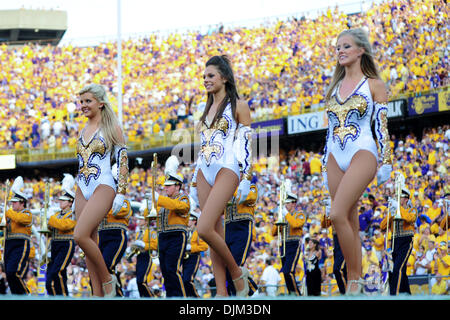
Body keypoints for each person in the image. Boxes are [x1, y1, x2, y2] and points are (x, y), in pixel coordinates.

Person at [321, 28, 392, 295]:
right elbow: (328, 132)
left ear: (361, 50)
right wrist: (324, 162)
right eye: (337, 47)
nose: (340, 50)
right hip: (334, 155)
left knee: (337, 213)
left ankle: (355, 279)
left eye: (346, 46)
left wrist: (386, 161)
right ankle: (355, 280)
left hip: (363, 150)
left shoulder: (374, 84)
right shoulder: (333, 88)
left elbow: (382, 127)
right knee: (347, 218)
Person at [191, 55, 253, 297]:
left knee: (204, 228)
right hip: (204, 171)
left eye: (211, 75)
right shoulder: (202, 108)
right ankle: (221, 292)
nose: (206, 80)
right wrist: (195, 176)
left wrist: (246, 176)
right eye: (204, 76)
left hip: (228, 167)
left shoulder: (239, 105)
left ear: (225, 78)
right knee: (214, 231)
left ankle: (237, 273)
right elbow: (202, 145)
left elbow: (246, 144)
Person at [74, 83, 129, 297]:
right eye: (81, 102)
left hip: (104, 185)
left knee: (80, 236)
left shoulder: (112, 128)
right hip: (82, 188)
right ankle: (97, 293)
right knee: (89, 241)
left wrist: (122, 191)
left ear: (100, 103)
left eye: (88, 101)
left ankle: (107, 280)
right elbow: (80, 164)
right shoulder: (82, 130)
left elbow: (123, 160)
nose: (83, 105)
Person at [148, 155, 190, 297]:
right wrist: (149, 206)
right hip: (163, 237)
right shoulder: (163, 202)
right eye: (165, 185)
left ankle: (181, 298)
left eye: (169, 185)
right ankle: (172, 297)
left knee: (173, 269)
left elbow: (179, 207)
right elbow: (152, 216)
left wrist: (158, 199)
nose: (165, 188)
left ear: (177, 186)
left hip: (176, 236)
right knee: (166, 271)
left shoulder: (182, 198)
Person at [98, 163, 132, 297]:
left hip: (116, 236)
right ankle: (115, 295)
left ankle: (117, 295)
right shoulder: (103, 201)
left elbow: (120, 211)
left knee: (107, 266)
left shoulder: (123, 201)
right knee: (98, 270)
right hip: (101, 236)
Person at [223, 179, 258, 296]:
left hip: (242, 228)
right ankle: (236, 295)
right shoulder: (227, 189)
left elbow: (249, 198)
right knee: (227, 268)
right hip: (228, 229)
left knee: (236, 265)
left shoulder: (250, 187)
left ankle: (253, 293)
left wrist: (229, 188)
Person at [380, 187, 416, 295]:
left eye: (400, 197)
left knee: (397, 269)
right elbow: (382, 226)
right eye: (397, 197)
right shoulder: (395, 210)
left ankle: (394, 295)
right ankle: (407, 294)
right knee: (401, 270)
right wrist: (391, 214)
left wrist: (398, 208)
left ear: (406, 199)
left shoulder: (411, 210)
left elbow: (410, 219)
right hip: (395, 242)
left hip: (406, 241)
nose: (398, 199)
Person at [46, 174, 77, 296]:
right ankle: (58, 296)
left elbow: (65, 225)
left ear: (70, 202)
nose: (60, 202)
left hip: (66, 244)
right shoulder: (56, 215)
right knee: (50, 279)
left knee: (57, 271)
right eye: (60, 199)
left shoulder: (73, 214)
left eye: (63, 200)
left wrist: (50, 220)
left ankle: (63, 296)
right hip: (54, 244)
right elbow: (51, 228)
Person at [271, 189, 305, 295]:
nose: (285, 206)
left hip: (294, 244)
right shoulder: (284, 216)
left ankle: (296, 294)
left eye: (287, 203)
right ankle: (291, 294)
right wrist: (279, 219)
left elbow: (295, 224)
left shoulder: (300, 215)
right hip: (284, 245)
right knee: (285, 272)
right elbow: (273, 233)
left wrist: (285, 214)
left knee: (288, 271)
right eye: (285, 203)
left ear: (294, 203)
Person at [2, 176, 32, 295]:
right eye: (11, 202)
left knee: (14, 272)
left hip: (20, 245)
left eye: (14, 202)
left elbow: (20, 219)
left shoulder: (27, 213)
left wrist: (7, 211)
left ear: (22, 203)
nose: (12, 205)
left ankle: (26, 294)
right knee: (9, 275)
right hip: (8, 244)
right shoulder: (10, 215)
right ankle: (16, 296)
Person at [321, 199, 347, 295]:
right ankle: (344, 293)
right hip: (337, 241)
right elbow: (324, 225)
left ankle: (346, 293)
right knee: (338, 270)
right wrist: (327, 212)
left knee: (339, 269)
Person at [182, 210, 208, 297]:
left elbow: (204, 246)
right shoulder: (184, 232)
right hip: (183, 257)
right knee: (183, 280)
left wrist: (191, 248)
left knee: (188, 279)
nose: (186, 221)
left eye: (189, 219)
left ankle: (196, 297)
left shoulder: (198, 232)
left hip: (193, 256)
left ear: (194, 220)